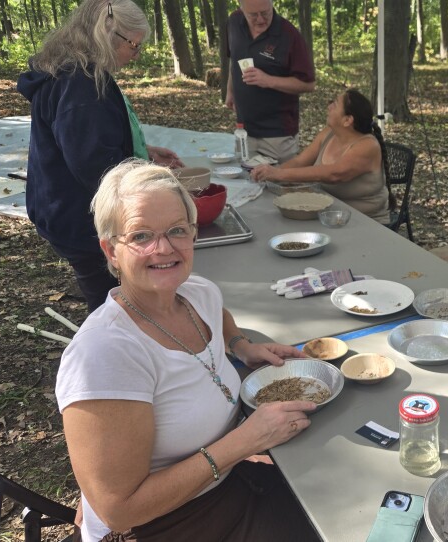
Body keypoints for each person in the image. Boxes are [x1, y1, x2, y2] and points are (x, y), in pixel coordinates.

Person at [56, 160, 319, 541]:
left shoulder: (197, 293)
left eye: (177, 230)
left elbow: (220, 315)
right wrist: (244, 442)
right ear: (111, 251)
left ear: (194, 234)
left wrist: (242, 346)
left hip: (229, 483)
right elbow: (117, 510)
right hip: (162, 524)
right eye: (141, 235)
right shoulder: (105, 355)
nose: (164, 248)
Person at [17, 0, 184, 313]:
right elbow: (98, 170)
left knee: (115, 300)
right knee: (115, 306)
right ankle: (116, 356)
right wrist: (156, 188)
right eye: (134, 45)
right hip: (83, 220)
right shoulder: (81, 88)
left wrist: (141, 152)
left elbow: (84, 143)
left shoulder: (72, 71)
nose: (136, 54)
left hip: (66, 209)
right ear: (109, 36)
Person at [250, 89, 391, 224]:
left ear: (347, 120)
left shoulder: (367, 146)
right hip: (328, 214)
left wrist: (279, 174)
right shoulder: (329, 133)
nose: (329, 106)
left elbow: (334, 174)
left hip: (365, 222)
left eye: (335, 104)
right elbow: (300, 161)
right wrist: (268, 173)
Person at [225, 0, 315, 164]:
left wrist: (268, 80)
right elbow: (234, 59)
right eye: (253, 15)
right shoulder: (234, 22)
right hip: (244, 129)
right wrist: (230, 90)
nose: (260, 20)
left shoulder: (289, 35)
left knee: (279, 186)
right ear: (241, 8)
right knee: (247, 183)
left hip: (277, 134)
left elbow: (308, 84)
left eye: (265, 13)